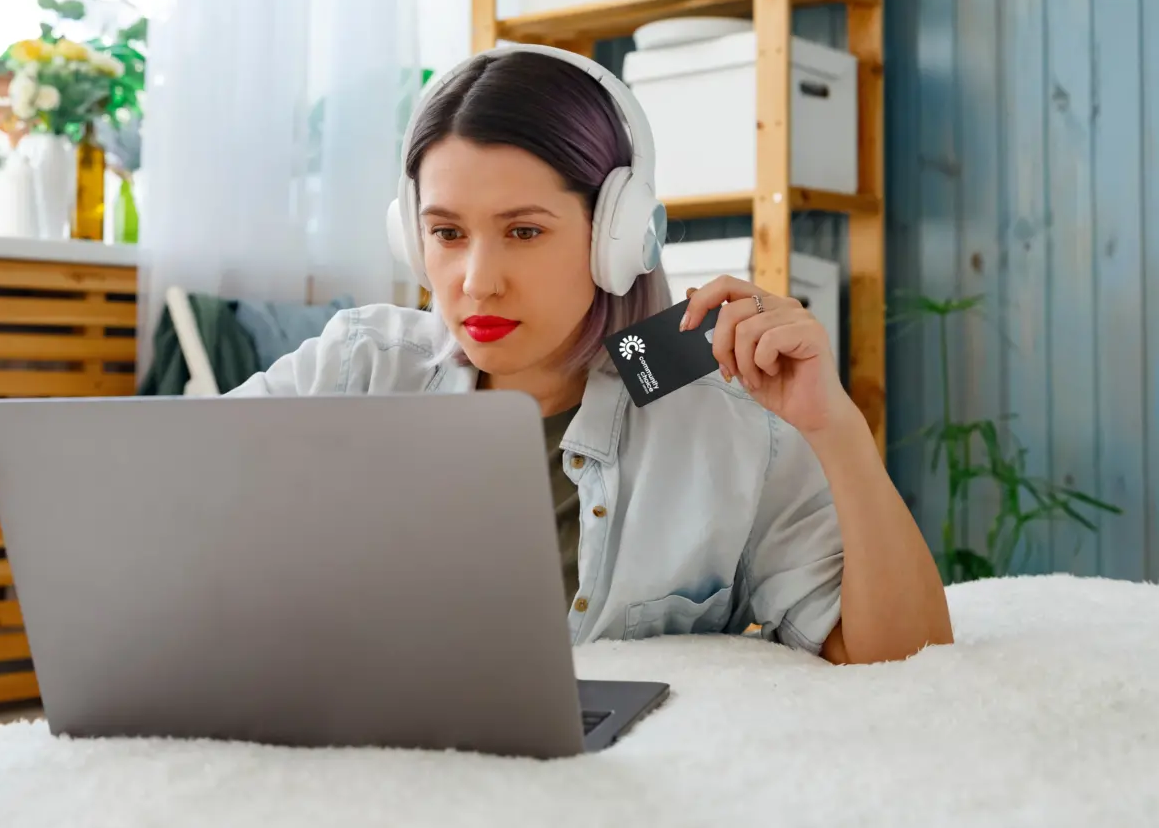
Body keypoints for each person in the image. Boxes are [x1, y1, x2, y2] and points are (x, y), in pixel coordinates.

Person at [227, 45, 953, 665]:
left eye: (524, 231)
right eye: (446, 233)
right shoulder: (354, 368)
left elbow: (897, 657)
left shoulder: (731, 426)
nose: (478, 281)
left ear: (619, 236)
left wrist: (837, 431)